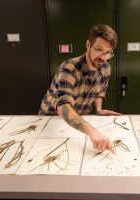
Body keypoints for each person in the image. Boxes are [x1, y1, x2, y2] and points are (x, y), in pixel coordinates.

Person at [39, 24, 120, 154]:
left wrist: (98, 109)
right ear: (88, 45)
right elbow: (63, 107)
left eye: (108, 53)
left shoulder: (105, 68)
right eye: (99, 50)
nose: (103, 57)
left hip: (79, 122)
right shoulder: (70, 68)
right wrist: (93, 132)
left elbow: (100, 91)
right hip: (51, 120)